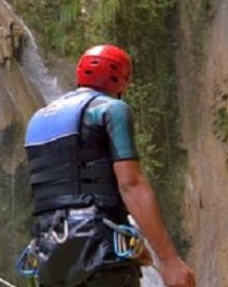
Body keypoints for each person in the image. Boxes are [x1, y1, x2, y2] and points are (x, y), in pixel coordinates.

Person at [20, 45, 195, 286]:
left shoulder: (36, 120)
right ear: (122, 81)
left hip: (48, 251)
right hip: (98, 246)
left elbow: (62, 191)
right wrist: (169, 260)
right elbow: (130, 185)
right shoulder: (111, 109)